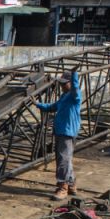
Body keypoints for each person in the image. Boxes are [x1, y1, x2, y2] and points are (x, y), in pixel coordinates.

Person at [36, 70, 83, 200]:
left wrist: (74, 74)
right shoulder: (64, 97)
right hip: (61, 131)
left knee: (63, 160)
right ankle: (72, 184)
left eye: (64, 84)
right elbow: (53, 106)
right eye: (61, 84)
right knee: (66, 159)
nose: (62, 86)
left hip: (67, 132)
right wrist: (38, 104)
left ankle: (63, 187)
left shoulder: (75, 95)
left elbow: (75, 87)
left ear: (70, 83)